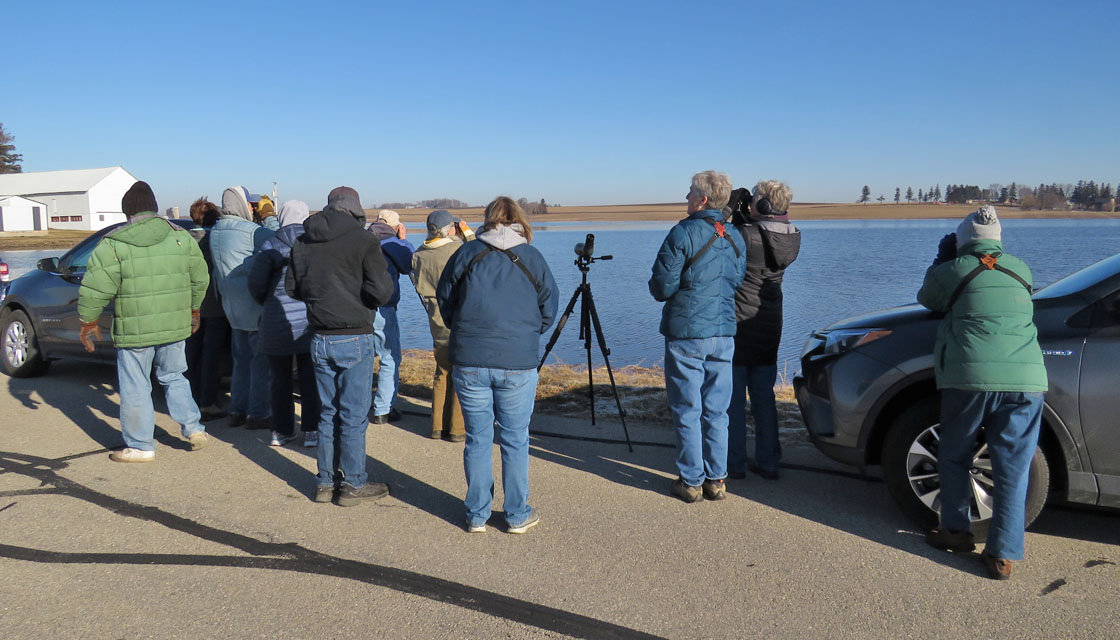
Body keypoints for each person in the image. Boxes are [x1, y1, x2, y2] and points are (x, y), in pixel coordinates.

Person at [918, 205, 1047, 580]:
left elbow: (928, 297)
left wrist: (942, 259)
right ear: (998, 240)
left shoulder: (953, 270)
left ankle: (956, 532)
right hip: (1026, 380)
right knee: (1013, 465)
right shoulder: (1020, 269)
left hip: (971, 377)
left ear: (961, 240)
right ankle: (1003, 553)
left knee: (956, 454)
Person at [436, 196, 557, 534]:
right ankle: (517, 515)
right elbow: (549, 306)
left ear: (487, 219)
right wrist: (525, 335)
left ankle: (477, 515)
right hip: (518, 361)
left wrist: (463, 328)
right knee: (515, 439)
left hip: (470, 359)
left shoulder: (466, 253)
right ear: (520, 220)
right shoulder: (533, 257)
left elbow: (445, 300)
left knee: (477, 437)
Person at [77, 181, 210, 462]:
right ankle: (194, 428)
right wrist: (193, 310)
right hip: (175, 325)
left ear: (127, 211)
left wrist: (88, 321)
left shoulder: (113, 243)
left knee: (136, 385)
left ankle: (140, 446)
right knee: (174, 376)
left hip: (134, 330)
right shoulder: (181, 237)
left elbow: (96, 287)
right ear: (154, 208)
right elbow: (199, 277)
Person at [286, 186, 394, 506]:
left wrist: (322, 301)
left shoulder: (303, 241)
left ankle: (324, 482)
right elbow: (382, 292)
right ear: (356, 208)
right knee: (353, 415)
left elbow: (293, 288)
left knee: (327, 412)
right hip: (355, 334)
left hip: (319, 335)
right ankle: (353, 484)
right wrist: (356, 299)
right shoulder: (364, 241)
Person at [649, 171, 746, 502]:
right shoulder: (734, 235)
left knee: (687, 406)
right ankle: (717, 479)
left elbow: (661, 286)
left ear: (702, 199)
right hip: (724, 332)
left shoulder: (682, 232)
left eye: (690, 193)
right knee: (718, 409)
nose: (685, 196)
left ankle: (691, 481)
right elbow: (737, 279)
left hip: (688, 334)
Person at [726, 181, 801, 481]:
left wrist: (733, 207)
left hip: (739, 325)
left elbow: (729, 240)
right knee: (764, 397)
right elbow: (762, 236)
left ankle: (734, 464)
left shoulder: (745, 235)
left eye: (756, 199)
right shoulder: (793, 236)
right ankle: (769, 461)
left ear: (765, 204)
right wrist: (750, 214)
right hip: (770, 324)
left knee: (733, 401)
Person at [248, 200, 321, 448]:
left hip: (276, 319)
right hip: (309, 321)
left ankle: (281, 431)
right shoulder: (314, 245)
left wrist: (267, 302)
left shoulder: (269, 245)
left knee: (279, 380)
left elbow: (256, 284)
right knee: (310, 379)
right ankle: (311, 430)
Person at [209, 185, 275, 429]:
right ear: (241, 204)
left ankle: (237, 410)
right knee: (260, 364)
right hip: (255, 306)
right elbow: (280, 244)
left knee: (241, 361)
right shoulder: (251, 232)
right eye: (250, 204)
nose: (253, 208)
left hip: (231, 307)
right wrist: (269, 217)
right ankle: (258, 414)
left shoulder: (216, 230)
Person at [411, 209, 469, 441]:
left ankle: (436, 425)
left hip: (436, 319)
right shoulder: (458, 250)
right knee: (461, 371)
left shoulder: (418, 255)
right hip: (459, 317)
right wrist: (468, 233)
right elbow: (480, 255)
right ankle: (456, 429)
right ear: (450, 229)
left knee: (442, 371)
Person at [184, 197, 232, 421]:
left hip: (189, 306)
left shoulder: (182, 242)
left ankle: (187, 398)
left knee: (190, 354)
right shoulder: (217, 241)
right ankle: (208, 402)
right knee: (211, 356)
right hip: (213, 306)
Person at [366, 209, 414, 424]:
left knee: (364, 358)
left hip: (360, 307)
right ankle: (383, 409)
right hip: (384, 307)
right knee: (389, 358)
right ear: (395, 226)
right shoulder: (392, 244)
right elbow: (409, 265)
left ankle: (359, 403)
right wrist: (403, 241)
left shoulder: (363, 239)